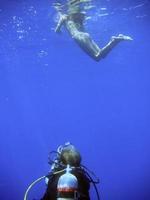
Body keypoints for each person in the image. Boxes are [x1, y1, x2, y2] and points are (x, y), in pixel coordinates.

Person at [53, 0, 133, 61]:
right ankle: (115, 40)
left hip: (78, 37)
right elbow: (81, 24)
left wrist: (60, 31)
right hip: (85, 35)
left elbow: (56, 30)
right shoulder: (77, 17)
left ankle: (116, 40)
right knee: (102, 56)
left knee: (97, 58)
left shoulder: (64, 17)